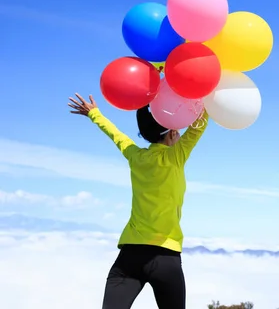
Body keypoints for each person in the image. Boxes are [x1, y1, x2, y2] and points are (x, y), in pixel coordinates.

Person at [68, 93, 209, 309]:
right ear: (171, 133)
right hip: (166, 256)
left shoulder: (136, 157)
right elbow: (199, 126)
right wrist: (208, 95)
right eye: (177, 130)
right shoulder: (176, 157)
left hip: (130, 257)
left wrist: (94, 113)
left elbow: (116, 135)